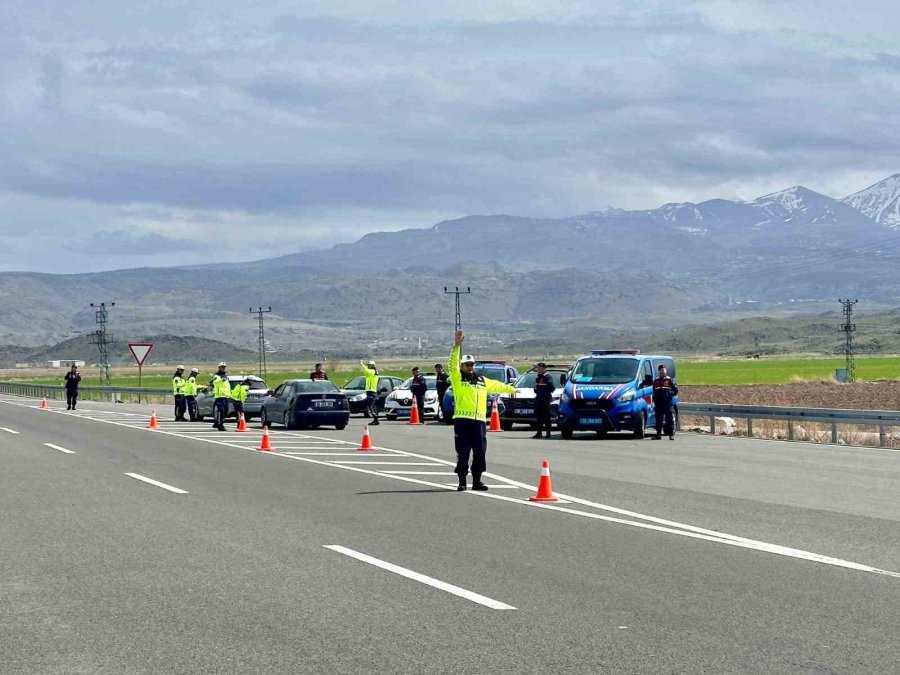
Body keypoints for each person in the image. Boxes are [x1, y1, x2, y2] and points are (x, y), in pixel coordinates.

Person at [449, 330, 517, 491]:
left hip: (479, 422)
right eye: (467, 365)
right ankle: (462, 481)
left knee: (480, 452)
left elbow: (496, 385)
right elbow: (451, 364)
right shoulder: (458, 379)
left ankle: (477, 481)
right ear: (462, 367)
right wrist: (457, 346)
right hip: (462, 421)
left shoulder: (481, 380)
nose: (470, 367)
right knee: (463, 453)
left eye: (472, 364)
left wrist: (513, 389)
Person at [652, 364, 679, 440]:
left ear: (666, 371)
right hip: (659, 403)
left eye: (663, 370)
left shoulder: (669, 380)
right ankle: (658, 435)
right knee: (658, 420)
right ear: (659, 371)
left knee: (669, 419)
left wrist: (670, 395)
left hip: (667, 403)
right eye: (660, 370)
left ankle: (671, 435)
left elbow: (675, 390)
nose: (662, 371)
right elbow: (654, 391)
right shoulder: (656, 381)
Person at [532, 362, 556, 439]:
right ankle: (539, 433)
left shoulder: (548, 376)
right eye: (537, 368)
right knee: (539, 417)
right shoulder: (539, 377)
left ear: (543, 368)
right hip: (539, 399)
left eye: (539, 368)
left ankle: (548, 433)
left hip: (545, 399)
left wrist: (545, 385)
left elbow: (552, 388)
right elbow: (537, 387)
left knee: (546, 417)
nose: (538, 369)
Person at [359, 359, 381, 425]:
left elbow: (367, 371)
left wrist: (362, 364)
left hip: (371, 390)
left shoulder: (372, 371)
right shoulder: (372, 372)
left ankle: (376, 419)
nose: (368, 366)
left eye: (369, 365)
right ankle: (375, 419)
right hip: (370, 390)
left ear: (372, 366)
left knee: (371, 404)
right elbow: (365, 372)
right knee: (371, 405)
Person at [211, 362, 231, 431]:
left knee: (226, 411)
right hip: (219, 396)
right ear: (219, 368)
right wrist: (221, 379)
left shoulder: (226, 376)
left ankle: (216, 422)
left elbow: (227, 386)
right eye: (222, 367)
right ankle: (220, 425)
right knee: (221, 411)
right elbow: (215, 381)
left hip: (226, 396)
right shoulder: (217, 376)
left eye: (224, 367)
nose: (223, 368)